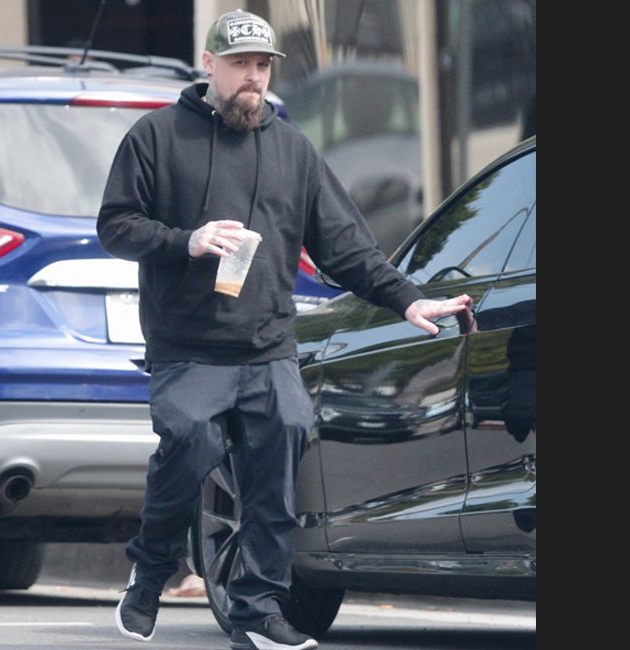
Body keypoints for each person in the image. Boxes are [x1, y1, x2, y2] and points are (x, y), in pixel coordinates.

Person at [97, 10, 471, 650]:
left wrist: (408, 300)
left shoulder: (294, 151)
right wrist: (187, 241)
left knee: (279, 464)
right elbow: (116, 225)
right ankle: (150, 570)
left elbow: (348, 247)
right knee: (189, 442)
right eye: (240, 64)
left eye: (263, 66)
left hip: (269, 346)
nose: (253, 78)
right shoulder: (155, 138)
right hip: (189, 348)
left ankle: (258, 610)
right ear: (209, 66)